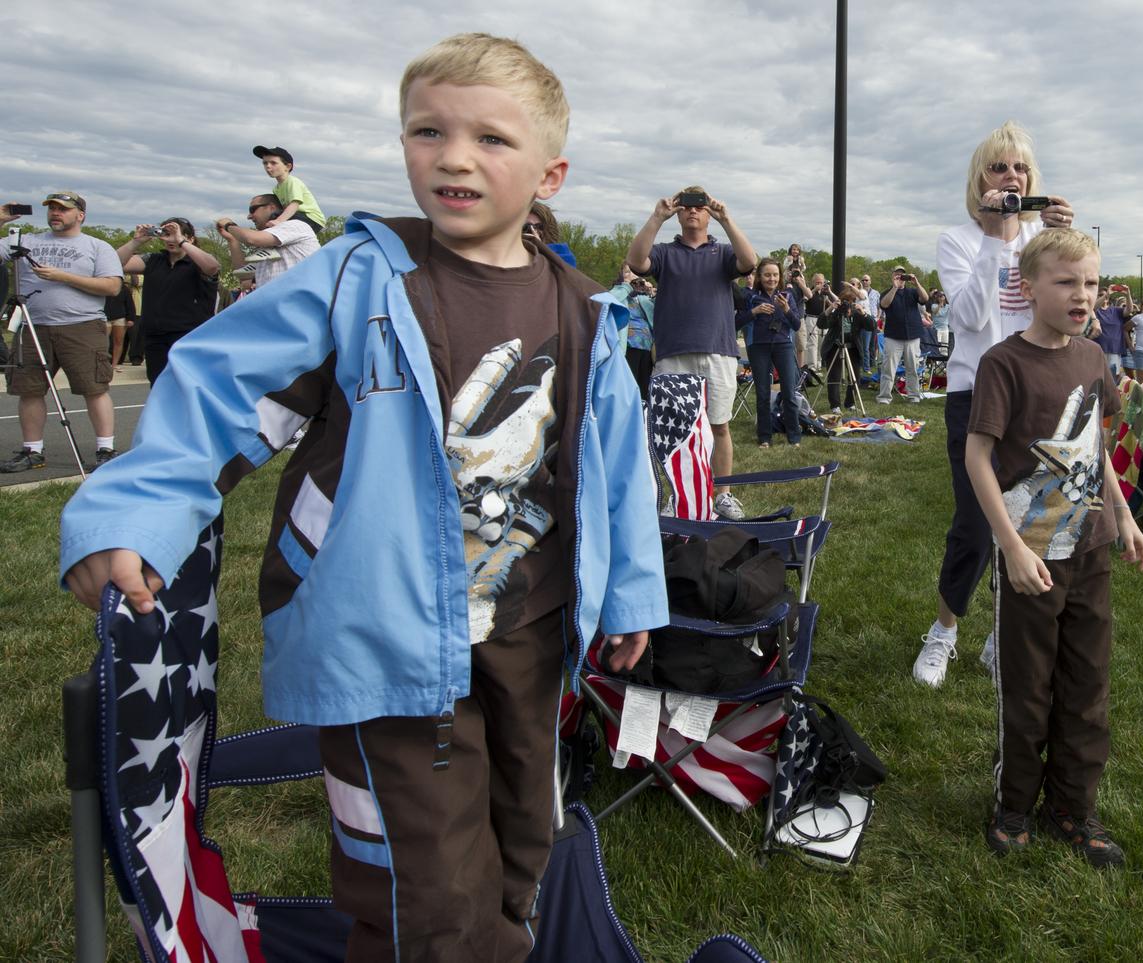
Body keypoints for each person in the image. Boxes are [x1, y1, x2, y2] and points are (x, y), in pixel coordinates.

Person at [60, 33, 668, 961]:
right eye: (428, 129)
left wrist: (629, 592)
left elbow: (618, 470)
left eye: (491, 140)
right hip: (383, 634)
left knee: (521, 843)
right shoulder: (357, 277)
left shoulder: (585, 310)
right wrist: (132, 512)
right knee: (416, 880)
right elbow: (223, 388)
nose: (454, 155)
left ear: (552, 173)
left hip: (528, 636)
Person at [964, 227, 1143, 866]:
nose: (1082, 295)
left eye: (1091, 282)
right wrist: (1010, 545)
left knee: (1086, 681)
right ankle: (1015, 800)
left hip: (1090, 550)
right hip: (1031, 559)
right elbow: (978, 456)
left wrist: (1122, 515)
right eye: (1067, 282)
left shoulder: (1094, 358)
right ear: (1029, 287)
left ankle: (1073, 805)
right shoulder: (1003, 363)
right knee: (1029, 685)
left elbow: (1094, 451)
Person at [913, 120, 1077, 687]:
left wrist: (1066, 243)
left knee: (1033, 521)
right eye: (998, 167)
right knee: (976, 524)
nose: (1011, 177)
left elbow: (1068, 307)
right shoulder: (957, 240)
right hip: (975, 393)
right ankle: (944, 631)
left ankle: (1000, 634)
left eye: (1020, 168)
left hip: (1037, 393)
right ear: (979, 178)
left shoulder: (1042, 243)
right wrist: (991, 235)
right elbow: (970, 318)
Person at [626, 185, 757, 520]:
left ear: (708, 213)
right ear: (679, 213)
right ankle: (678, 495)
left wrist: (726, 218)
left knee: (719, 426)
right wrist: (657, 217)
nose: (692, 211)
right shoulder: (665, 253)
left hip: (718, 351)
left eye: (699, 206)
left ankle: (722, 494)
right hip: (673, 353)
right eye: (686, 206)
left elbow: (749, 261)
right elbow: (635, 261)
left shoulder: (724, 252)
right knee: (675, 430)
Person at [1, 192, 123, 472]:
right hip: (33, 325)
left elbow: (112, 287)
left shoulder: (97, 246)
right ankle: (33, 451)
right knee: (29, 390)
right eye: (52, 209)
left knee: (94, 388)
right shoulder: (26, 241)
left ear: (80, 215)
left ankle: (106, 449)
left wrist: (63, 277)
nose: (56, 213)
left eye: (63, 209)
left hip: (82, 325)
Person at [115, 217, 220, 384]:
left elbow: (212, 267)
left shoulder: (197, 261)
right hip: (156, 336)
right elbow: (115, 263)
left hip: (189, 336)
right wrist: (137, 241)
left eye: (174, 234)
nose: (170, 240)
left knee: (190, 385)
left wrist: (182, 241)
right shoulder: (154, 260)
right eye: (166, 234)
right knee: (159, 386)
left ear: (190, 238)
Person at [740, 257, 803, 447]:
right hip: (758, 347)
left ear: (780, 276)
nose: (771, 279)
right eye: (767, 275)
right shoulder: (750, 297)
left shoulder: (788, 296)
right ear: (760, 276)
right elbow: (737, 322)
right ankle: (765, 437)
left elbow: (797, 324)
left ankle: (794, 436)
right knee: (763, 393)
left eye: (775, 275)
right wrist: (755, 311)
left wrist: (786, 310)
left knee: (789, 392)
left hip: (783, 346)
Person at [216, 194, 320, 287]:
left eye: (253, 209)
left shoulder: (295, 225)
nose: (249, 216)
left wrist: (229, 225)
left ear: (272, 207)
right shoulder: (266, 245)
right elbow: (244, 276)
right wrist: (233, 240)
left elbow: (251, 239)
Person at [877, 265, 928, 404]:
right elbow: (884, 305)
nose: (900, 278)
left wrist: (916, 283)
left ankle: (913, 395)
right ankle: (884, 397)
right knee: (889, 368)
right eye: (897, 275)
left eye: (903, 275)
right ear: (893, 276)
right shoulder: (887, 292)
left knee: (912, 368)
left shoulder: (912, 292)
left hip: (912, 336)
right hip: (893, 336)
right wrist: (894, 287)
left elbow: (925, 298)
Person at [818, 280, 868, 414]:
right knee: (834, 376)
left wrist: (863, 312)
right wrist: (831, 308)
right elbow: (821, 324)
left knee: (855, 376)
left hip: (852, 348)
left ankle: (850, 403)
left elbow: (872, 326)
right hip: (835, 346)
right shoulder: (836, 313)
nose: (848, 304)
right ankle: (835, 405)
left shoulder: (857, 313)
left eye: (851, 301)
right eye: (845, 300)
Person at [252, 145, 326, 234]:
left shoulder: (292, 181)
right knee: (272, 215)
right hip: (297, 216)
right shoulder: (276, 188)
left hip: (311, 218)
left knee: (275, 216)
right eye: (265, 163)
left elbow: (295, 204)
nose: (268, 166)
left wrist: (278, 221)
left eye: (273, 163)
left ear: (288, 166)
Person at [610, 264, 655, 400]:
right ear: (621, 276)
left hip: (647, 348)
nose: (633, 275)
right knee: (629, 387)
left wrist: (652, 293)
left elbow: (662, 313)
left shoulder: (644, 298)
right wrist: (627, 286)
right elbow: (609, 301)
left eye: (636, 273)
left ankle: (644, 416)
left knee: (645, 387)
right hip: (628, 347)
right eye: (628, 272)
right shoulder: (617, 292)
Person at [1088, 284, 1134, 380]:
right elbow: (1091, 308)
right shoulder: (1095, 311)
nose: (1103, 297)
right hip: (1099, 348)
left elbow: (1129, 310)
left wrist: (1128, 294)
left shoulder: (1116, 311)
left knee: (1113, 376)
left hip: (1114, 348)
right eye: (1100, 295)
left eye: (1104, 295)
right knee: (1098, 375)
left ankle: (1111, 394)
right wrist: (1107, 294)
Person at [102, 273, 136, 370]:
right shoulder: (104, 287)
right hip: (105, 316)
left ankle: (114, 364)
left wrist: (130, 318)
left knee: (118, 341)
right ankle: (104, 363)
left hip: (120, 317)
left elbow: (129, 303)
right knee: (104, 342)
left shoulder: (124, 289)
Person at [859, 272, 880, 372]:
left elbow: (880, 307)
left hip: (873, 319)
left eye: (866, 280)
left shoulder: (876, 293)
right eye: (863, 280)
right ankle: (864, 364)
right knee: (865, 344)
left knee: (873, 343)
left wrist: (878, 317)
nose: (864, 281)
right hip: (864, 320)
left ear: (870, 281)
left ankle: (872, 363)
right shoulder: (859, 292)